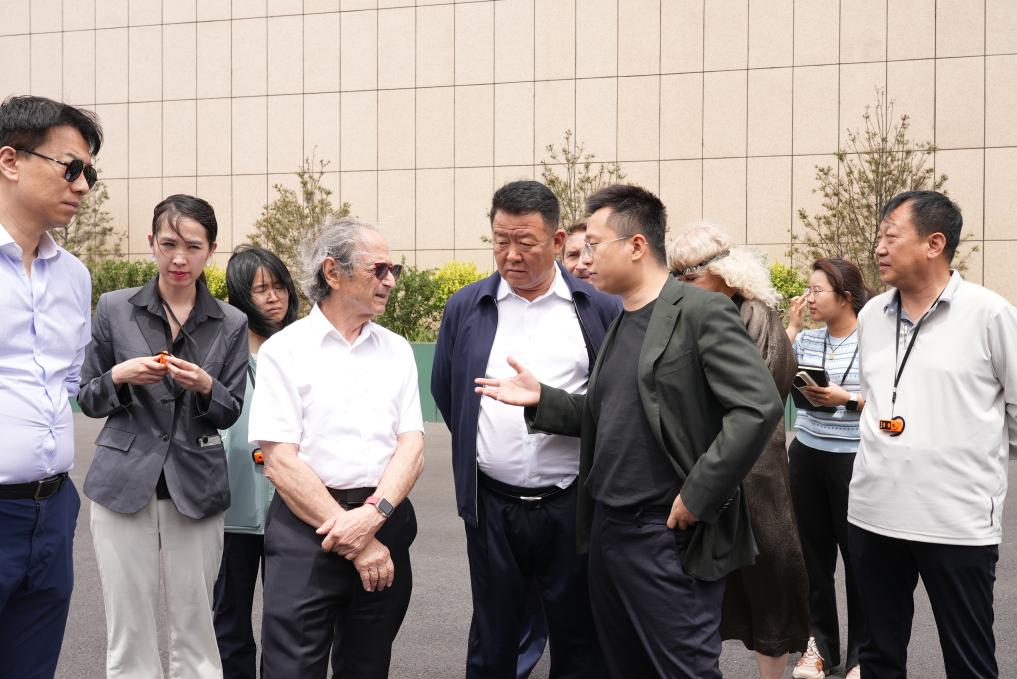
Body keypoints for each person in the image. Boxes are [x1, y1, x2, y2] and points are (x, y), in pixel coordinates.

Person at [476, 184, 785, 679]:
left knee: (683, 670)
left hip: (668, 534)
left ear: (637, 245)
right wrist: (544, 400)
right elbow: (612, 415)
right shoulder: (621, 318)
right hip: (609, 531)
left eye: (595, 245)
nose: (583, 260)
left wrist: (699, 494)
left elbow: (757, 406)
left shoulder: (700, 312)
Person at [432, 181, 618, 679]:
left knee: (579, 637)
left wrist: (548, 405)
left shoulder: (597, 307)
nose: (511, 255)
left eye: (525, 242)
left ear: (557, 242)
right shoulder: (467, 307)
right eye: (500, 241)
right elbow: (448, 392)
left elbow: (616, 407)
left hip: (572, 504)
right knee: (493, 638)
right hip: (492, 506)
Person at [78, 194, 249, 678]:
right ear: (151, 241)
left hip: (196, 484)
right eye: (169, 244)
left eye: (193, 247)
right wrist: (120, 376)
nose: (179, 258)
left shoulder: (231, 322)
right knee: (128, 627)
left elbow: (231, 410)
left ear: (211, 250)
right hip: (122, 481)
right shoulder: (115, 308)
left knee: (196, 627)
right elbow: (88, 397)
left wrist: (207, 386)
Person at [850, 191, 1017, 678]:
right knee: (878, 656)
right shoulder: (870, 315)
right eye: (878, 237)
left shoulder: (989, 314)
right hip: (873, 515)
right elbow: (875, 399)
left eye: (891, 236)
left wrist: (968, 455)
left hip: (955, 521)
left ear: (934, 243)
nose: (879, 248)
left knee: (969, 662)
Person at [248, 218, 425, 679]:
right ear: (333, 272)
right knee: (290, 669)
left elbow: (411, 445)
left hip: (384, 523)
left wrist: (372, 518)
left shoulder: (397, 350)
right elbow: (279, 461)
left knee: (367, 666)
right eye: (379, 269)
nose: (390, 281)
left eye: (394, 270)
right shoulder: (284, 351)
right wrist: (357, 539)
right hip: (306, 531)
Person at [668, 224, 810, 679]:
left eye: (690, 275)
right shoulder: (690, 314)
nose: (681, 284)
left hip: (754, 474)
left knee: (769, 586)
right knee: (701, 592)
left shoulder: (755, 315)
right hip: (703, 470)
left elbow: (755, 406)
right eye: (676, 276)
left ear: (725, 273)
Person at [0, 95, 101, 679]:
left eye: (89, 173)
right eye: (71, 167)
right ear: (10, 161)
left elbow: (66, 383)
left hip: (53, 511)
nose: (82, 185)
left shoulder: (74, 276)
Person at [782, 258, 872, 679]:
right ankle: (817, 648)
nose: (810, 297)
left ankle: (861, 657)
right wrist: (792, 328)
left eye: (818, 291)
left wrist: (846, 399)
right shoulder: (807, 340)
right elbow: (772, 376)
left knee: (859, 559)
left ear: (846, 297)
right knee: (812, 560)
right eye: (809, 289)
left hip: (854, 459)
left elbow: (891, 404)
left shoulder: (873, 342)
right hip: (806, 454)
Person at [213, 246, 299, 679]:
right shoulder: (220, 351)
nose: (273, 297)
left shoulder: (303, 350)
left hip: (294, 509)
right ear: (240, 296)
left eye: (279, 286)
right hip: (233, 511)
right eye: (261, 289)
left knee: (289, 623)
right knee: (229, 620)